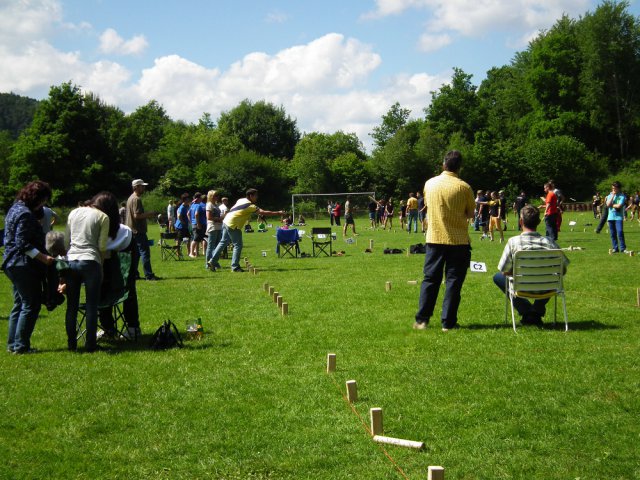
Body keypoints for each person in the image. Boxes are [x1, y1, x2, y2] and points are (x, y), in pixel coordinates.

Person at [414, 150, 475, 332]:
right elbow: (471, 214)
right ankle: (448, 323)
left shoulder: (429, 184)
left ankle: (421, 321)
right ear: (459, 167)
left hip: (434, 238)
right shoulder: (464, 187)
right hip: (458, 241)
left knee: (430, 279)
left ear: (443, 164)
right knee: (453, 281)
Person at [3, 181, 56, 354]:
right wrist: (43, 257)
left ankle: (13, 344)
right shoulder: (25, 214)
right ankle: (21, 345)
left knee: (19, 303)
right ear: (36, 198)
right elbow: (22, 244)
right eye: (43, 201)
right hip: (22, 265)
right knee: (31, 304)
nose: (43, 205)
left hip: (11, 263)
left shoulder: (14, 209)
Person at [493, 205, 569, 326]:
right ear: (539, 222)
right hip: (547, 288)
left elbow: (504, 270)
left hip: (521, 287)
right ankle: (536, 311)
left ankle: (527, 311)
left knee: (497, 277)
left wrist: (514, 272)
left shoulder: (513, 242)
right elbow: (563, 270)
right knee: (554, 277)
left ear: (520, 221)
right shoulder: (550, 242)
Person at [63, 191, 114, 352]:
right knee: (92, 306)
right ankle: (90, 344)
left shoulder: (74, 212)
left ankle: (72, 344)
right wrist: (101, 266)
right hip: (91, 261)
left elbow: (66, 240)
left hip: (72, 260)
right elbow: (102, 247)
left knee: (72, 306)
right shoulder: (103, 217)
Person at [207, 188, 284, 272]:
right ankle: (235, 267)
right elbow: (263, 212)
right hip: (233, 224)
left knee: (223, 242)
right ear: (251, 196)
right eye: (256, 195)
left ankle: (212, 261)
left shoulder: (241, 200)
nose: (257, 197)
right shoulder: (250, 206)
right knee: (238, 245)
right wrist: (278, 213)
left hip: (226, 221)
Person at [125, 179, 160, 281]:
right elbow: (137, 215)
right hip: (138, 230)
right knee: (145, 253)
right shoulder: (136, 199)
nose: (144, 188)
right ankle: (148, 275)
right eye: (142, 186)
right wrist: (150, 214)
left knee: (135, 254)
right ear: (136, 187)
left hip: (132, 231)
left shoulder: (130, 198)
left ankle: (134, 274)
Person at [606, 181, 627, 253]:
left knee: (620, 232)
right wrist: (612, 196)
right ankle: (615, 248)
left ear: (618, 188)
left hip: (618, 217)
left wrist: (611, 205)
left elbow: (619, 206)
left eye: (615, 189)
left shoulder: (622, 196)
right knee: (612, 233)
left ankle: (623, 248)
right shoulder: (609, 196)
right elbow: (608, 204)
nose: (613, 190)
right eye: (612, 188)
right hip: (610, 217)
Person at [205, 190, 223, 270]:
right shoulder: (209, 205)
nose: (217, 197)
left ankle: (214, 262)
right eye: (215, 196)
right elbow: (209, 217)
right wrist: (219, 219)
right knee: (211, 246)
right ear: (211, 196)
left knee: (216, 247)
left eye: (217, 195)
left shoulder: (215, 205)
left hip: (218, 227)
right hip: (212, 227)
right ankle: (208, 263)